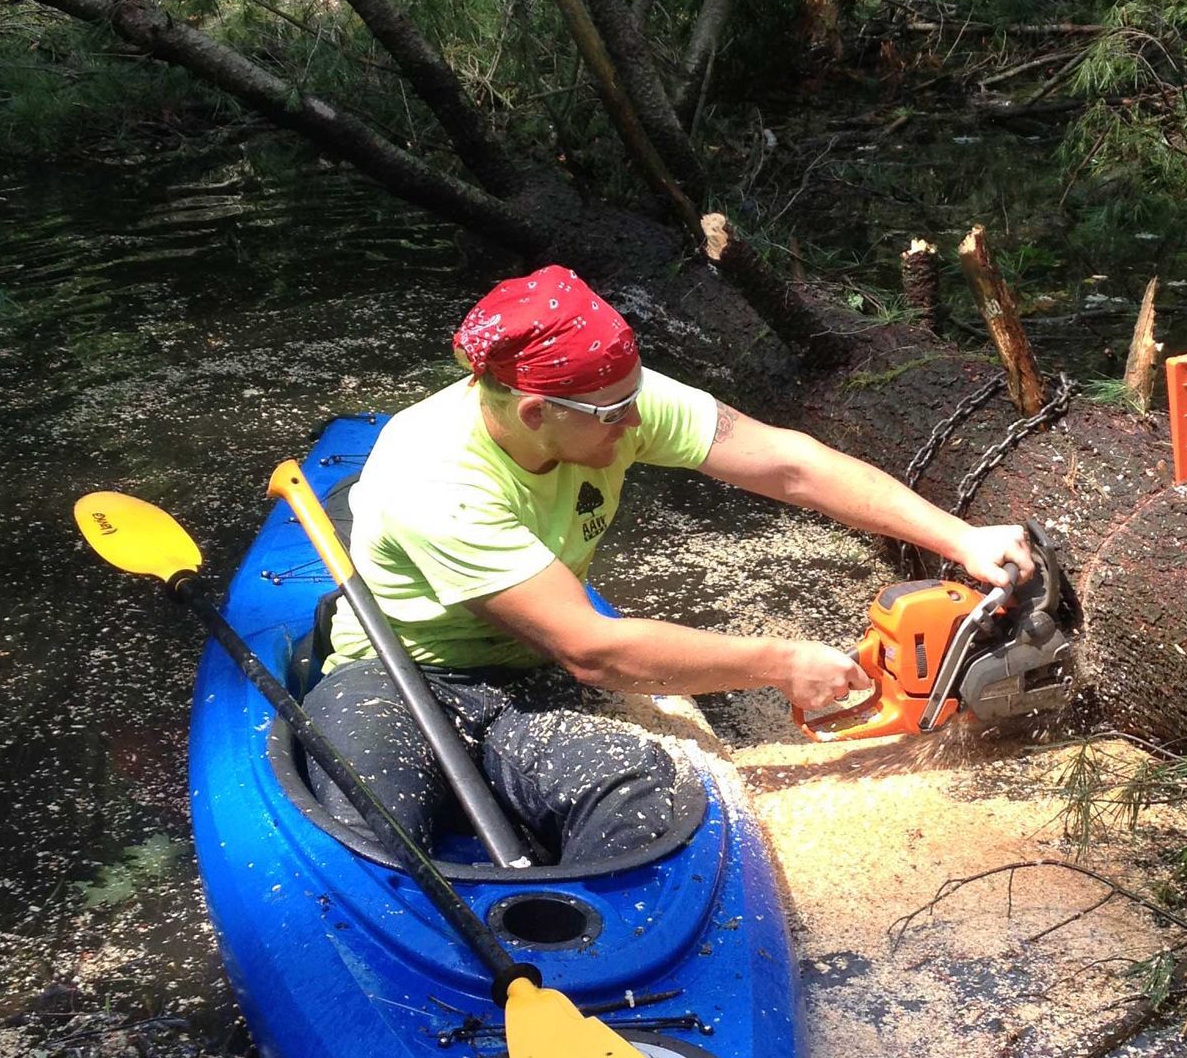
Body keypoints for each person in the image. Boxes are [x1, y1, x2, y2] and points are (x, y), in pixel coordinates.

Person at [304, 265, 1030, 867]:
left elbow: (789, 465)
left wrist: (958, 538)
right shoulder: (437, 479)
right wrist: (780, 663)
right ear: (534, 413)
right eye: (613, 412)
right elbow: (592, 648)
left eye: (633, 398)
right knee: (369, 830)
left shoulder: (606, 397)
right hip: (405, 675)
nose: (633, 422)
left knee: (646, 802)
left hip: (535, 675)